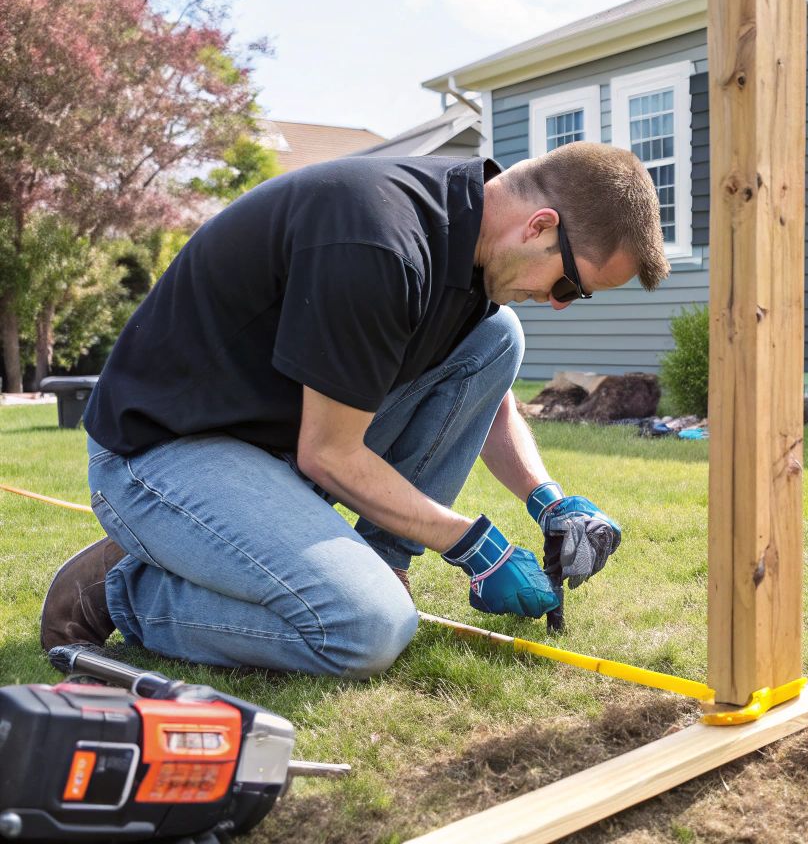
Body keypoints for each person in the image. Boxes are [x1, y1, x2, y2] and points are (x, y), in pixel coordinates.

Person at [41, 141, 671, 677]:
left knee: (498, 339)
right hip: (160, 454)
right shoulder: (380, 244)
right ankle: (123, 591)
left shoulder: (472, 249)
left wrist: (549, 499)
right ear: (539, 225)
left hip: (269, 453)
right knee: (367, 632)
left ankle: (380, 565)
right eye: (571, 284)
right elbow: (331, 454)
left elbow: (483, 398)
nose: (561, 303)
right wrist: (477, 547)